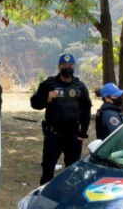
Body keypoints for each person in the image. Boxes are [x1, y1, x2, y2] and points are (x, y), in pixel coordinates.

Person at [30, 53, 92, 185]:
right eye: (64, 65)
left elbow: (86, 109)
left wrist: (82, 133)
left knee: (72, 172)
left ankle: (69, 199)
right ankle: (44, 199)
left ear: (74, 67)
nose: (67, 68)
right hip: (53, 135)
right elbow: (34, 104)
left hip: (73, 135)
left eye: (70, 65)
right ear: (59, 67)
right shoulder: (49, 84)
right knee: (48, 170)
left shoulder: (79, 86)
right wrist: (47, 98)